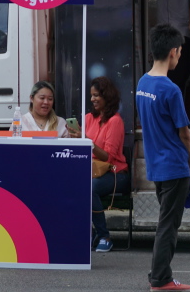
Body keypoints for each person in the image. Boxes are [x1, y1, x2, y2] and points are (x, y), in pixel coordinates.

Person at [136, 24, 190, 292]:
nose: (180, 56)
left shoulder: (143, 83)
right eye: (180, 51)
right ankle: (161, 279)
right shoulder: (170, 89)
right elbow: (184, 133)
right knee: (168, 226)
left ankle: (157, 274)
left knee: (165, 222)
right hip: (174, 166)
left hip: (156, 166)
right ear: (173, 51)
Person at [85, 76, 130, 253]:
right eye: (91, 95)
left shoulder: (115, 121)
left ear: (107, 96)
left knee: (90, 189)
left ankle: (104, 236)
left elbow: (108, 158)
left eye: (96, 95)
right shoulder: (89, 118)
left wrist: (88, 142)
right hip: (92, 171)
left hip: (116, 174)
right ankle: (88, 233)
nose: (92, 99)